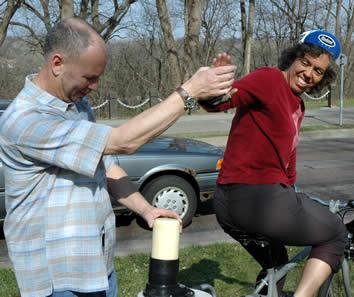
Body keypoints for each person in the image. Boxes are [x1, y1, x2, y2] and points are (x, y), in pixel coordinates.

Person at [0, 18, 236, 297]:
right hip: (59, 279)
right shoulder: (25, 120)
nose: (95, 86)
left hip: (97, 266)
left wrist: (146, 209)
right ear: (57, 63)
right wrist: (190, 92)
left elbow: (106, 166)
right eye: (89, 77)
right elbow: (123, 142)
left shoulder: (76, 105)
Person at [200, 30, 348, 297]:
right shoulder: (269, 79)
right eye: (306, 62)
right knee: (336, 233)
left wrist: (292, 190)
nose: (309, 73)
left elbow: (288, 161)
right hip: (260, 201)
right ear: (293, 57)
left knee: (276, 265)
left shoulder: (298, 106)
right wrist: (215, 86)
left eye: (318, 70)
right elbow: (221, 101)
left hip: (229, 205)